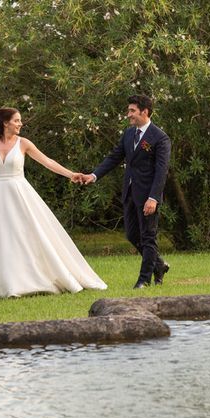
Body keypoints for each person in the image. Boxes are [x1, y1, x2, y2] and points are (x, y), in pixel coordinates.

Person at [0, 107, 107, 299]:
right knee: (1, 238)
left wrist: (71, 174)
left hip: (20, 193)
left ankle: (31, 279)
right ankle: (4, 283)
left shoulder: (23, 143)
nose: (20, 124)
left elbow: (47, 162)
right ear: (5, 123)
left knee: (28, 234)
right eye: (16, 121)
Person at [79, 94, 170, 289]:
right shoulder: (129, 134)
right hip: (129, 193)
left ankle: (144, 280)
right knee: (131, 235)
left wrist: (153, 198)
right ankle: (159, 264)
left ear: (144, 112)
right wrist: (93, 176)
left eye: (132, 111)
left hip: (148, 196)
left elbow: (162, 172)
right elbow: (114, 158)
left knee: (148, 237)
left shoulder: (160, 138)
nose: (128, 115)